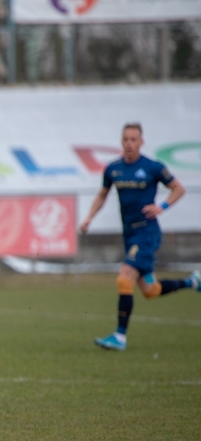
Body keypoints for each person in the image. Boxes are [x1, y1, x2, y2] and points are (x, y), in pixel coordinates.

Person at [80, 123, 199, 351]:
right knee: (149, 290)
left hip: (146, 232)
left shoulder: (153, 167)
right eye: (126, 139)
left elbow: (178, 189)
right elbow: (102, 194)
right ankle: (193, 281)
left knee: (124, 278)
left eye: (134, 139)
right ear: (121, 142)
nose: (129, 144)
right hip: (130, 233)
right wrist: (89, 218)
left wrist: (161, 206)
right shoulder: (113, 169)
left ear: (141, 142)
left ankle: (120, 336)